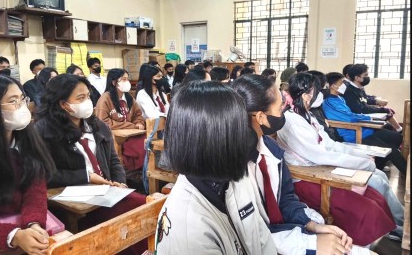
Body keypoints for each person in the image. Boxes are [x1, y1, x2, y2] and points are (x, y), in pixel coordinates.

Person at [232, 74, 375, 254]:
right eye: (279, 106)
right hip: (270, 243)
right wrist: (309, 243)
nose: (284, 110)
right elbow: (250, 235)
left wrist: (312, 225)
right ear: (260, 117)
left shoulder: (270, 149)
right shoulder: (232, 166)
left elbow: (285, 199)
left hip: (285, 233)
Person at [276, 72, 404, 242]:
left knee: (378, 178)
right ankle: (397, 227)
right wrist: (361, 163)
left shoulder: (307, 115)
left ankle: (400, 224)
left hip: (322, 167)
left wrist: (362, 157)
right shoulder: (292, 122)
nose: (321, 95)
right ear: (307, 96)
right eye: (318, 91)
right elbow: (320, 156)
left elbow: (330, 144)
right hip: (309, 177)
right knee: (374, 190)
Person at [155, 81, 277, 254]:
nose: (247, 135)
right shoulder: (189, 230)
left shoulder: (235, 177)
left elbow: (261, 237)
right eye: (239, 128)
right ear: (215, 140)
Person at [34, 74, 147, 254]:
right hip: (78, 204)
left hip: (108, 193)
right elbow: (45, 174)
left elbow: (113, 160)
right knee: (128, 221)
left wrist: (121, 183)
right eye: (81, 98)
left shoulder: (97, 126)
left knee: (142, 207)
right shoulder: (43, 132)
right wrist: (86, 176)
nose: (87, 101)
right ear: (63, 104)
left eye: (88, 96)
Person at [0, 75, 55, 254]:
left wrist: (34, 223)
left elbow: (35, 188)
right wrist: (13, 236)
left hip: (20, 224)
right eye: (12, 101)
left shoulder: (25, 140)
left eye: (22, 99)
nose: (21, 106)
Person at [323, 72, 407, 176]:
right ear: (333, 86)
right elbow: (349, 118)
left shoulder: (340, 98)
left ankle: (378, 166)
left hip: (363, 129)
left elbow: (351, 114)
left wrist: (369, 117)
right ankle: (406, 173)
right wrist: (369, 117)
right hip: (353, 134)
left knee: (397, 138)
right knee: (391, 151)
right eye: (341, 83)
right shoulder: (329, 102)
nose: (344, 85)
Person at [343, 64, 402, 132]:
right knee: (392, 133)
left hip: (365, 116)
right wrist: (381, 110)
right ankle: (400, 131)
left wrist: (376, 102)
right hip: (359, 121)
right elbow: (361, 109)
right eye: (365, 75)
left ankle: (400, 131)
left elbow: (364, 100)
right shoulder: (349, 91)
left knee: (389, 127)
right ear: (356, 78)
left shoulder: (360, 88)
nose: (367, 77)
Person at [306, 70, 342, 142]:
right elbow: (325, 131)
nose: (328, 89)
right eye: (326, 86)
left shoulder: (317, 105)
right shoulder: (313, 109)